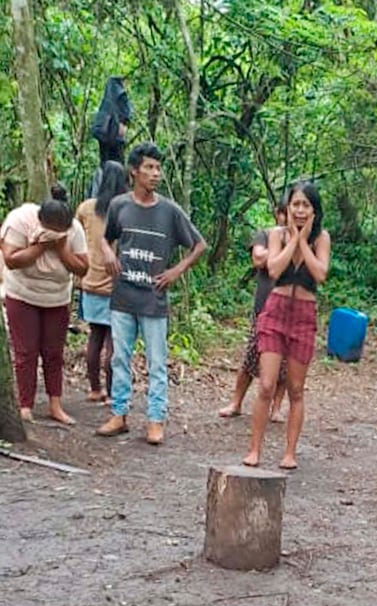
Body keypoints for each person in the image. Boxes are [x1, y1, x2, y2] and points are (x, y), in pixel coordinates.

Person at [96, 142, 206, 445]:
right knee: (120, 358)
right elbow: (106, 237)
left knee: (157, 362)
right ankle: (119, 414)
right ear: (134, 171)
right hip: (123, 295)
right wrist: (108, 252)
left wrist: (176, 271)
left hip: (153, 298)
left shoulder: (169, 211)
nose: (156, 173)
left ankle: (156, 419)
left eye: (158, 168)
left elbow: (199, 245)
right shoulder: (119, 205)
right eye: (149, 167)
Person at [243, 181, 330, 469]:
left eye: (306, 205)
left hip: (304, 315)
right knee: (266, 384)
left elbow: (320, 274)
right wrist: (292, 237)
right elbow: (274, 268)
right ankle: (254, 450)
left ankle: (290, 453)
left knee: (295, 388)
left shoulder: (322, 238)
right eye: (296, 205)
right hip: (275, 311)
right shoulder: (276, 234)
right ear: (288, 207)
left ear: (314, 210)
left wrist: (304, 240)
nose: (300, 210)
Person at [0, 185, 89, 424]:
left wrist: (61, 249)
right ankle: (25, 405)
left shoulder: (74, 230)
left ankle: (55, 405)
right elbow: (11, 260)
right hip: (22, 294)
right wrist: (41, 246)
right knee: (25, 352)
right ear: (40, 221)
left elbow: (82, 268)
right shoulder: (20, 220)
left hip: (57, 298)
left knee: (53, 353)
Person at [218, 200, 288, 421]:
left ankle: (276, 408)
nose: (288, 218)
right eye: (284, 213)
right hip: (264, 308)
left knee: (285, 363)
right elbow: (258, 259)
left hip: (290, 311)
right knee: (251, 357)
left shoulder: (302, 240)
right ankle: (236, 402)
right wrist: (285, 250)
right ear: (277, 213)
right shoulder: (264, 234)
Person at [76, 161, 128, 402]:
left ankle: (95, 389)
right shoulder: (127, 209)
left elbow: (76, 236)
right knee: (114, 341)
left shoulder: (86, 208)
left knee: (95, 337)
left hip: (91, 280)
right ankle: (112, 392)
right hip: (118, 284)